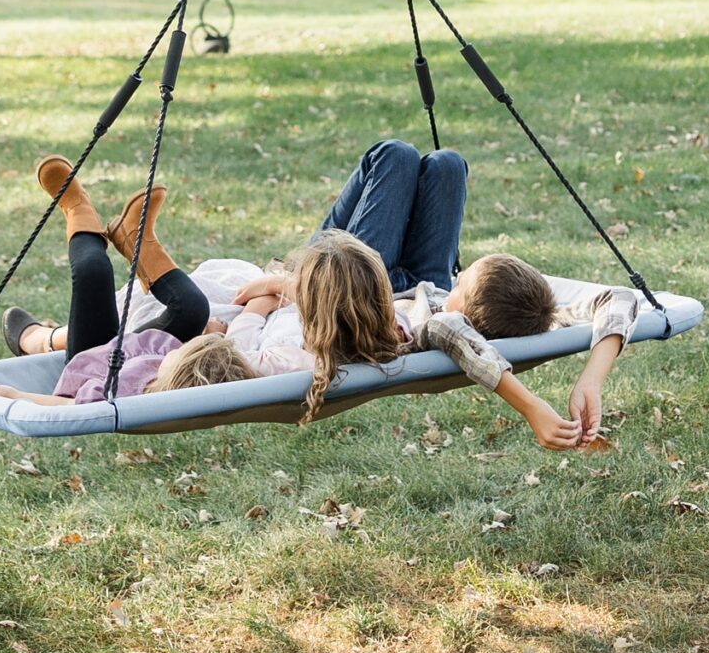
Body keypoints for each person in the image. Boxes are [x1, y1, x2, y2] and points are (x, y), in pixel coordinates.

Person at [227, 139, 639, 443]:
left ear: (465, 309)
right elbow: (619, 296)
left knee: (392, 156)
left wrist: (289, 284)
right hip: (423, 281)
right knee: (448, 163)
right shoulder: (520, 304)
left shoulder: (437, 326)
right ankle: (439, 175)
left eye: (465, 278)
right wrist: (592, 379)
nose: (459, 274)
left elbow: (448, 328)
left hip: (361, 284)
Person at [0, 159, 221, 408]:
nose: (183, 348)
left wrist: (18, 397)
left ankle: (77, 208)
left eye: (185, 353)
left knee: (93, 271)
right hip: (141, 349)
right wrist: (211, 341)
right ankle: (134, 238)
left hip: (93, 361)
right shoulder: (168, 361)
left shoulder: (112, 395)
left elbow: (70, 407)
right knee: (194, 308)